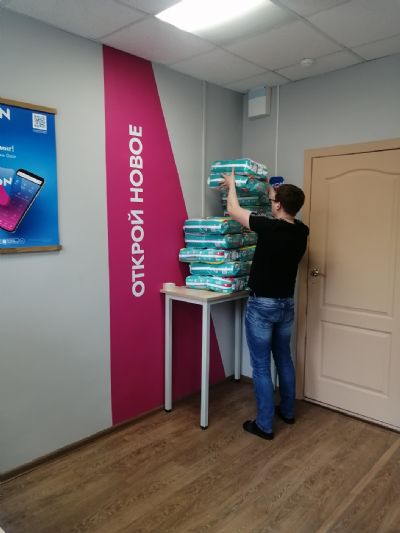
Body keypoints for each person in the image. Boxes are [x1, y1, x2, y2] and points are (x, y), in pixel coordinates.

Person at [221, 169, 309, 440]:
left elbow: (233, 210)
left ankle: (264, 425)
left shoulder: (270, 227)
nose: (271, 204)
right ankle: (288, 412)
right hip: (285, 305)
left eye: (273, 202)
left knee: (260, 366)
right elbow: (280, 208)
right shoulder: (302, 230)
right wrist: (272, 192)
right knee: (283, 357)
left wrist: (232, 184)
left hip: (262, 306)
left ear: (279, 205)